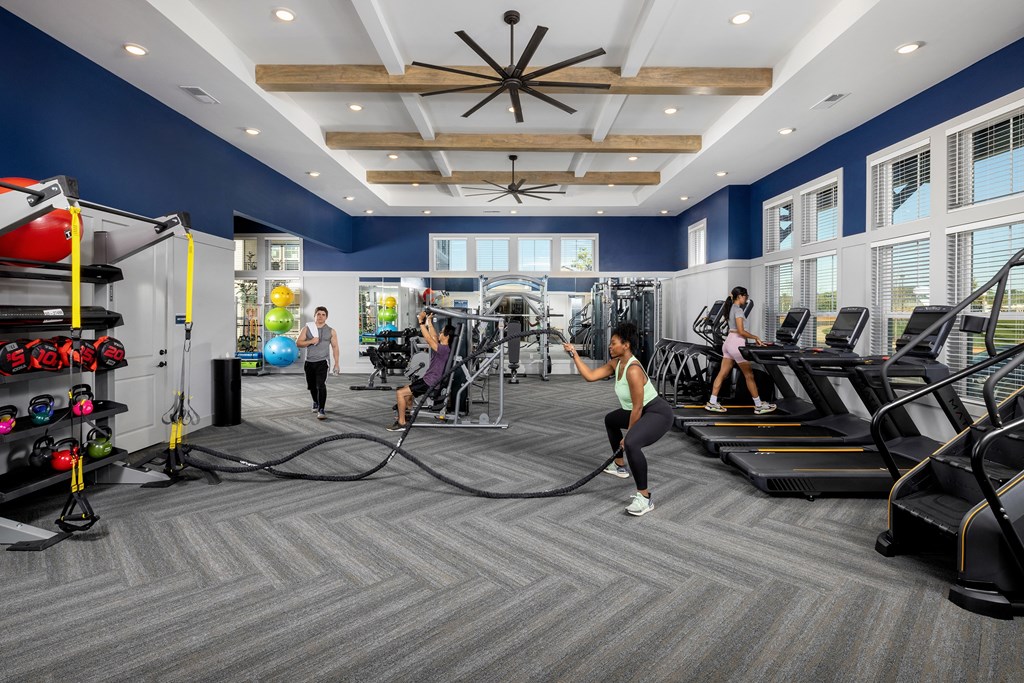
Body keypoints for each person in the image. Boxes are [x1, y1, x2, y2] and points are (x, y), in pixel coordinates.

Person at [562, 321, 673, 517]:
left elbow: (638, 407)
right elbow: (590, 376)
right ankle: (619, 465)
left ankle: (645, 497)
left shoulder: (633, 369)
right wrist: (574, 354)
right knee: (611, 420)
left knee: (631, 443)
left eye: (613, 343)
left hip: (657, 413)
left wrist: (628, 435)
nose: (610, 346)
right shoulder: (617, 363)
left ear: (626, 345)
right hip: (640, 410)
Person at [704, 286, 776, 415]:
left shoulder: (730, 308)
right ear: (740, 296)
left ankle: (712, 402)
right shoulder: (738, 310)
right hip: (737, 343)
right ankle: (759, 405)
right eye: (746, 296)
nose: (746, 299)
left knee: (722, 374)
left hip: (728, 343)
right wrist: (756, 337)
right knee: (749, 375)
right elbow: (741, 331)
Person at [387, 311, 456, 432]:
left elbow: (429, 339)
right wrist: (429, 321)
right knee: (407, 393)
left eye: (442, 331)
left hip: (430, 383)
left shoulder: (443, 349)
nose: (439, 333)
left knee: (400, 393)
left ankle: (401, 423)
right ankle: (406, 417)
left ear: (446, 336)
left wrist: (421, 321)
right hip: (428, 380)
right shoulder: (442, 348)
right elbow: (433, 337)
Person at [296, 306, 340, 420]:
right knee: (312, 386)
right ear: (314, 315)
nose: (320, 316)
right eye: (318, 314)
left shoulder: (331, 331)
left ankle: (321, 409)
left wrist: (336, 363)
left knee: (321, 385)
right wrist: (311, 341)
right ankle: (315, 401)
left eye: (323, 314)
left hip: (323, 362)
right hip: (309, 362)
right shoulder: (306, 329)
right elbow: (298, 343)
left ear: (326, 317)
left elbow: (335, 347)